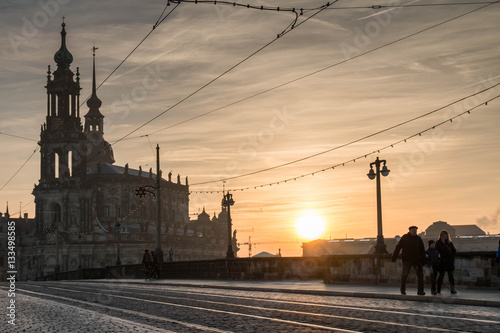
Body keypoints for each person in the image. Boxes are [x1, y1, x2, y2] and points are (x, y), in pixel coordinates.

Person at [392, 226, 426, 295]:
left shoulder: (418, 239)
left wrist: (423, 260)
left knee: (420, 275)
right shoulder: (404, 238)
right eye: (413, 230)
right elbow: (398, 247)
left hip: (417, 260)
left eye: (416, 230)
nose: (415, 231)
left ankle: (420, 291)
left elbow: (422, 250)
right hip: (407, 260)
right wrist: (394, 257)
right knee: (404, 275)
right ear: (410, 231)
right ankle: (403, 290)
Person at [435, 230, 457, 294]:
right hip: (442, 263)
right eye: (443, 235)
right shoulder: (438, 243)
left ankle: (452, 289)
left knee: (451, 277)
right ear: (441, 236)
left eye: (446, 235)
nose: (445, 236)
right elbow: (436, 252)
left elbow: (454, 251)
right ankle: (438, 289)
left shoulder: (449, 243)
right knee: (441, 277)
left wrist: (452, 258)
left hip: (449, 262)